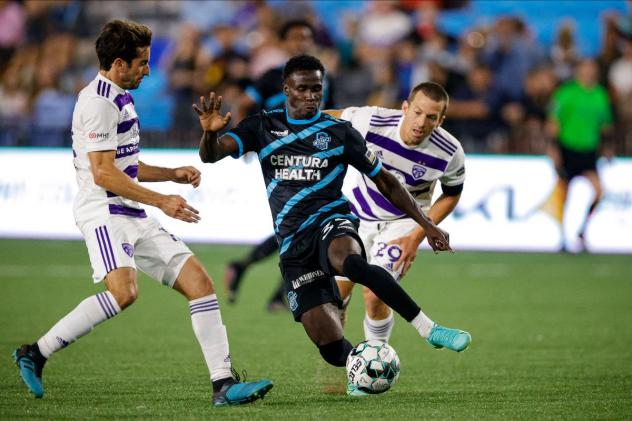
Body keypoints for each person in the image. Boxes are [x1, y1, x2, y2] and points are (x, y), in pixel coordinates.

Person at [11, 19, 272, 406]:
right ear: (119, 63)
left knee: (199, 282)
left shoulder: (120, 94)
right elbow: (103, 173)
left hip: (129, 208)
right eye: (143, 63)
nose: (148, 70)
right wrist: (162, 200)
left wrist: (171, 175)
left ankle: (223, 385)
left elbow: (126, 164)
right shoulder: (98, 102)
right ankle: (35, 352)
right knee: (124, 292)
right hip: (104, 211)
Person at [194, 54, 471, 396]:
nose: (311, 95)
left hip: (333, 220)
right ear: (286, 90)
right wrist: (208, 135)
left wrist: (426, 226)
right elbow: (212, 155)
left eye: (317, 89)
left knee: (353, 264)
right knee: (329, 344)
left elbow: (387, 182)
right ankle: (362, 365)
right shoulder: (261, 127)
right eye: (303, 88)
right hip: (294, 245)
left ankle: (427, 329)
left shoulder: (340, 132)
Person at [324, 81, 466, 343]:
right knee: (336, 296)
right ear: (405, 108)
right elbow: (328, 118)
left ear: (441, 120)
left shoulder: (450, 152)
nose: (421, 122)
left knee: (376, 292)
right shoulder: (371, 121)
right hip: (357, 215)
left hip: (404, 223)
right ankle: (340, 321)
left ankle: (375, 356)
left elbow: (451, 193)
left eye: (431, 117)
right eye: (417, 112)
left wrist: (416, 236)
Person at [225, 19, 335, 310]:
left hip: (315, 157)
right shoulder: (272, 77)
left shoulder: (323, 76)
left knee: (299, 223)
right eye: (296, 38)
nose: (302, 43)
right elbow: (243, 104)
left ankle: (250, 270)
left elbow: (330, 115)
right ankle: (284, 293)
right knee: (304, 222)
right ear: (284, 44)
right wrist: (247, 140)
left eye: (307, 38)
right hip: (283, 157)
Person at [541, 58, 614, 252]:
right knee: (565, 193)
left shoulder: (600, 94)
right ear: (578, 71)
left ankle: (582, 230)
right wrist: (553, 147)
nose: (589, 72)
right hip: (568, 148)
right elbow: (553, 122)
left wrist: (607, 147)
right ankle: (563, 237)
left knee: (599, 192)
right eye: (586, 68)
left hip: (589, 150)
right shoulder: (566, 93)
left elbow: (605, 125)